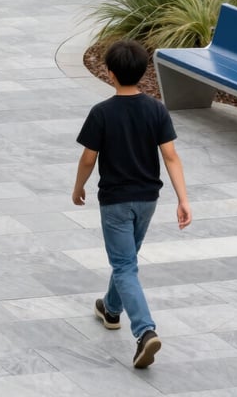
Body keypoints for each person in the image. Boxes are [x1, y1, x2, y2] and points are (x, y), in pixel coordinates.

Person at [71, 39, 192, 370]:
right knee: (127, 259)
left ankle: (144, 331)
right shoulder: (156, 109)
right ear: (143, 73)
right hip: (148, 200)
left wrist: (78, 187)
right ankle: (111, 309)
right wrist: (182, 199)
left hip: (115, 202)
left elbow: (88, 158)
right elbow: (170, 155)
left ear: (110, 74)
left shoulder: (102, 113)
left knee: (125, 265)